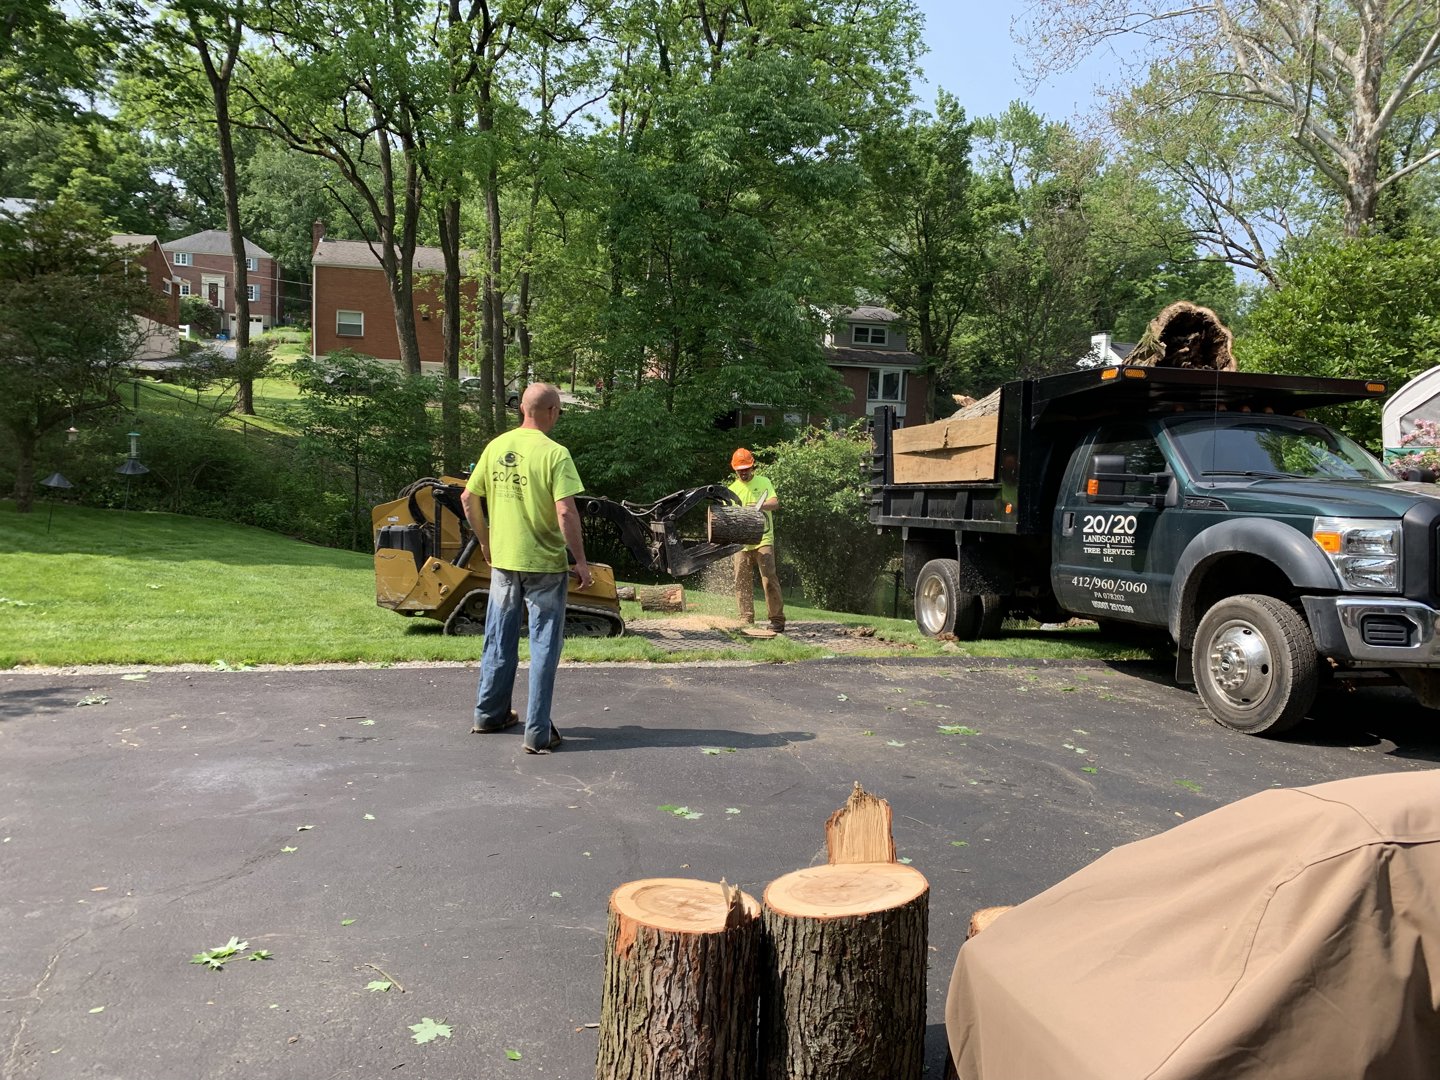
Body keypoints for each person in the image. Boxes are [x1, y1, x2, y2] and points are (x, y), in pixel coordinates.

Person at [460, 383, 592, 754]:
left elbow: (468, 498)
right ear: (552, 411)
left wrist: (485, 542)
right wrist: (580, 561)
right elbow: (565, 513)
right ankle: (537, 733)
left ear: (522, 409)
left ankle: (489, 715)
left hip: (504, 562)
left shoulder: (496, 446)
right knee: (544, 645)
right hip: (544, 565)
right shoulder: (555, 454)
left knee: (498, 638)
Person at [727, 447, 784, 632]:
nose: (743, 472)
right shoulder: (732, 490)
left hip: (763, 538)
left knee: (769, 579)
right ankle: (746, 618)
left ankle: (776, 620)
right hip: (741, 542)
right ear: (734, 469)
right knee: (741, 580)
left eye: (746, 468)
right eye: (740, 470)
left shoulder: (764, 481)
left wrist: (759, 506)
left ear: (752, 466)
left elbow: (775, 503)